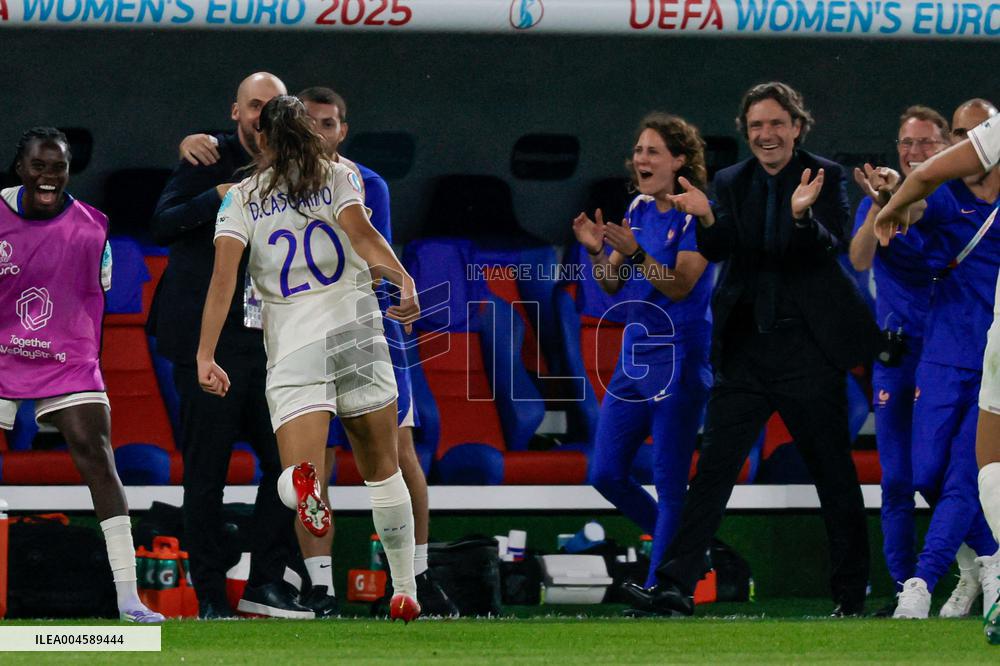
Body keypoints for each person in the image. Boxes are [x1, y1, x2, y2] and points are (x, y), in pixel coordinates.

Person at [180, 86, 458, 617]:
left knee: (295, 473)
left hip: (294, 346)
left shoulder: (242, 198)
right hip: (356, 335)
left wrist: (205, 354)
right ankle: (404, 589)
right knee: (383, 469)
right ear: (310, 132)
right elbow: (365, 234)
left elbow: (222, 282)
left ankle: (298, 487)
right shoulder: (340, 178)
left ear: (261, 136)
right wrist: (402, 280)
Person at [625, 82, 879, 617]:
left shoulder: (824, 175)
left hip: (808, 350)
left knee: (833, 473)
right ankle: (675, 585)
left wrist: (803, 216)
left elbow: (829, 248)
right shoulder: (729, 180)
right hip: (745, 350)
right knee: (713, 471)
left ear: (796, 127)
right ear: (747, 130)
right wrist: (708, 218)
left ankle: (851, 595)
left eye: (776, 124)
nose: (766, 134)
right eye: (757, 125)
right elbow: (722, 250)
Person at [150, 72, 311, 619]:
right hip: (205, 344)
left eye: (272, 107)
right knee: (206, 474)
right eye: (254, 106)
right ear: (236, 112)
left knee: (287, 471)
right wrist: (215, 197)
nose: (262, 117)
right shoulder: (205, 158)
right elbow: (161, 226)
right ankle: (213, 597)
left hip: (273, 344)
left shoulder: (300, 165)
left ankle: (266, 583)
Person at [0, 127, 163, 623]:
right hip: (0, 353)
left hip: (67, 358)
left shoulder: (95, 229)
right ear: (20, 168)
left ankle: (128, 597)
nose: (48, 177)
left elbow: (98, 297)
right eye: (39, 166)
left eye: (59, 168)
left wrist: (74, 353)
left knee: (97, 455)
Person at [849, 106, 984, 617]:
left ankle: (966, 570)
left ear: (946, 145)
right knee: (902, 478)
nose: (914, 153)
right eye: (906, 143)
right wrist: (880, 207)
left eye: (926, 144)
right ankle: (907, 581)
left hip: (951, 352)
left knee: (953, 475)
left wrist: (903, 201)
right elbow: (861, 258)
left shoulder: (950, 198)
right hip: (898, 353)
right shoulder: (891, 196)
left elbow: (925, 212)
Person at [571, 112, 714, 588]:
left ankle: (661, 586)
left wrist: (635, 254)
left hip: (679, 351)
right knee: (607, 473)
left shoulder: (698, 213)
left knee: (671, 481)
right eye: (638, 151)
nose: (641, 159)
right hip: (636, 355)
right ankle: (688, 549)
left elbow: (679, 286)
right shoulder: (636, 209)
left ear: (679, 160)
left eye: (653, 151)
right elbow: (611, 283)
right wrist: (596, 252)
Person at [875, 101, 1000, 638]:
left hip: (994, 357)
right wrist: (894, 207)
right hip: (945, 353)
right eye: (960, 134)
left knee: (963, 478)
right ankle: (989, 559)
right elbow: (922, 208)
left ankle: (922, 583)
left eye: (976, 134)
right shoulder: (946, 197)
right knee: (924, 473)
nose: (966, 143)